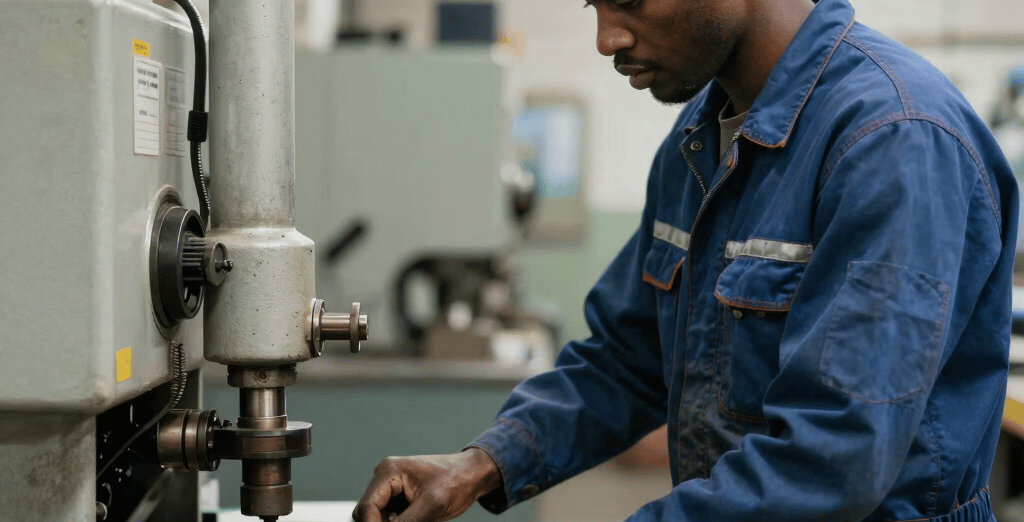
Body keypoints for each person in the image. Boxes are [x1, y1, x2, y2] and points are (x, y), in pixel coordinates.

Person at [353, 0, 1020, 520]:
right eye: (595, 8)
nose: (606, 40)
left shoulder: (892, 139)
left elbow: (834, 457)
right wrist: (481, 463)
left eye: (631, 2)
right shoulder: (699, 138)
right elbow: (626, 357)